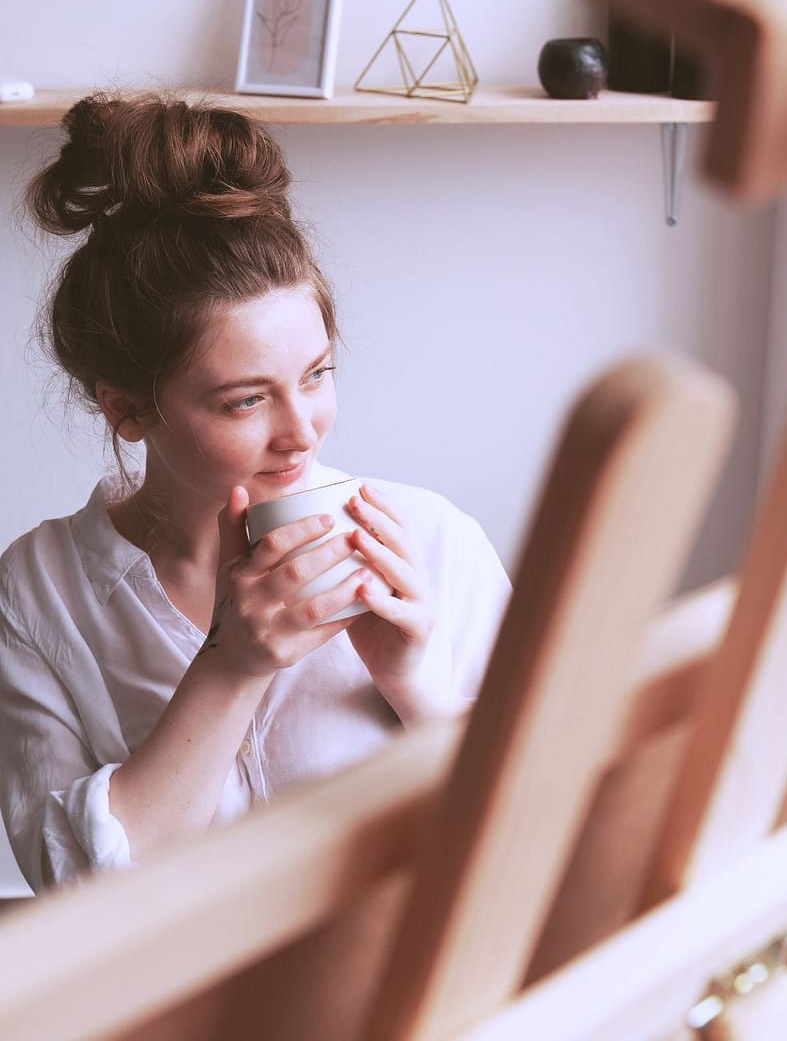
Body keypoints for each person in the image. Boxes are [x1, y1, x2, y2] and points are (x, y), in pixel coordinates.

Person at [0, 93, 511, 891]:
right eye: (245, 400)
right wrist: (231, 666)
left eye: (316, 376)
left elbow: (536, 829)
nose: (301, 430)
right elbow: (71, 897)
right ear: (127, 407)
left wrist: (416, 685)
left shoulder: (430, 539)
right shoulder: (40, 591)